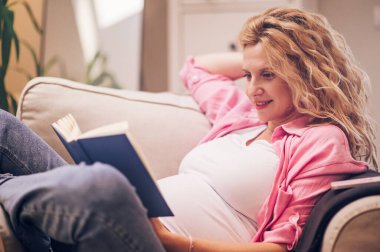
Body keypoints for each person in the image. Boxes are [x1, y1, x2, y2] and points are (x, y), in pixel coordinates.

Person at [0, 7, 376, 252]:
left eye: (269, 75)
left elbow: (279, 249)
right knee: (4, 126)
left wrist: (179, 242)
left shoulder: (322, 141)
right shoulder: (242, 116)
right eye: (248, 74)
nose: (252, 88)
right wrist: (263, 52)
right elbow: (196, 68)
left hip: (157, 243)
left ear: (305, 73)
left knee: (105, 184)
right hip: (115, 223)